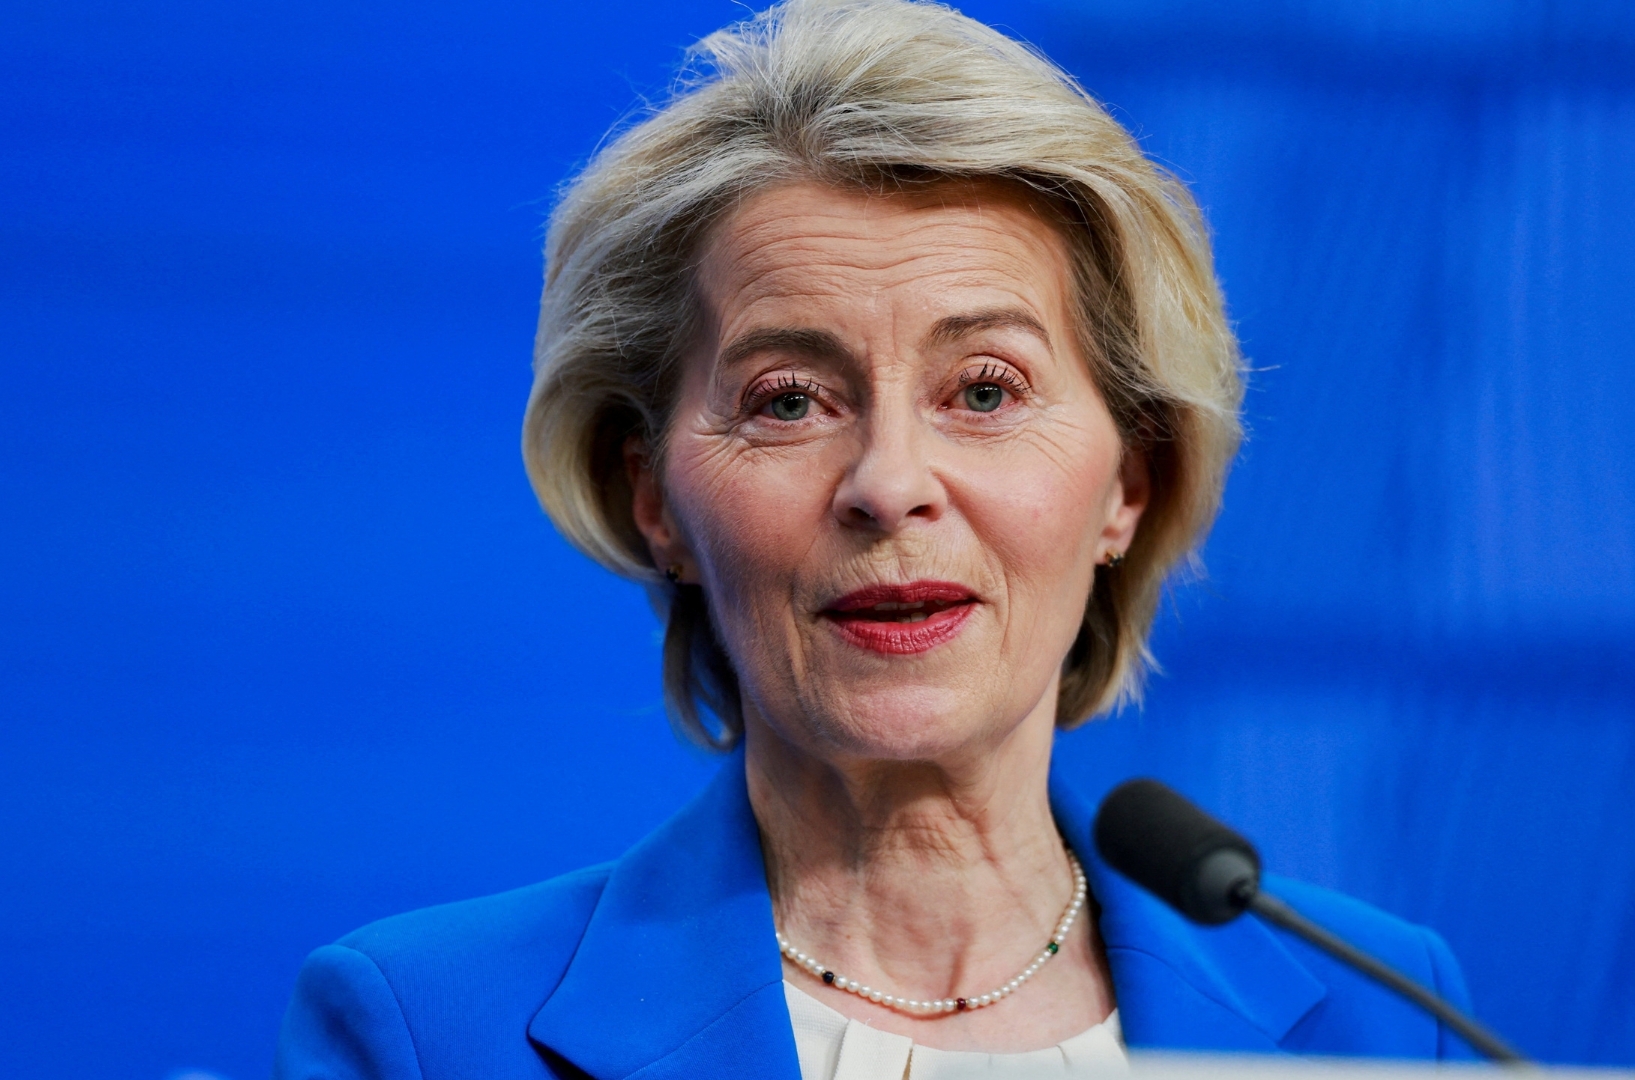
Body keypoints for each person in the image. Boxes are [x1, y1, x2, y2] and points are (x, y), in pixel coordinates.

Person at [273, 1, 1478, 1076]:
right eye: (789, 402)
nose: (890, 486)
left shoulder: (1385, 1017)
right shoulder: (428, 1033)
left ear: (1130, 484)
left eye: (987, 390)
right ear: (654, 499)